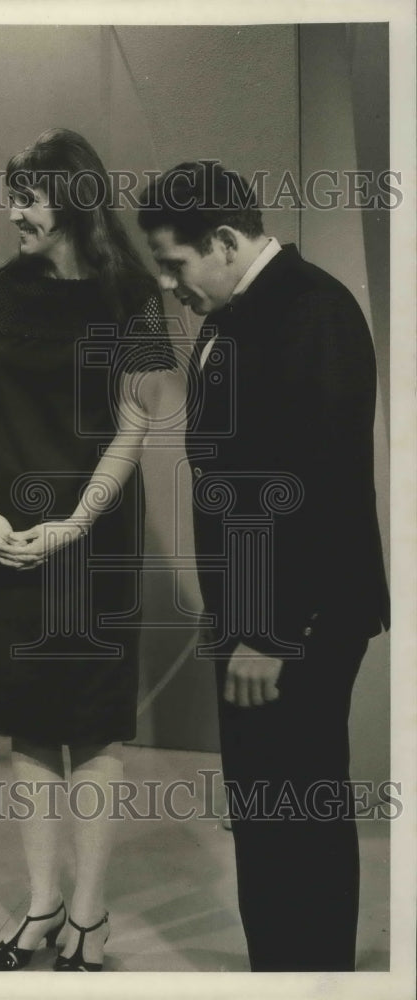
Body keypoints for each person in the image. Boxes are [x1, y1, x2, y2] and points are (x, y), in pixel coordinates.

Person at [137, 160, 389, 971]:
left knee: (296, 811)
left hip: (293, 620)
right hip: (252, 612)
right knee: (264, 809)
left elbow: (324, 483)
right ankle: (279, 973)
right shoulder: (239, 311)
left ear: (223, 240)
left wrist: (273, 635)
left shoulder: (311, 309)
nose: (173, 287)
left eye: (176, 265)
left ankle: (310, 976)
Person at [0, 128, 174, 972]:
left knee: (93, 723)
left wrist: (77, 521)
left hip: (95, 535)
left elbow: (139, 420)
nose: (13, 213)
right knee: (29, 721)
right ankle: (42, 906)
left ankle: (89, 915)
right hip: (9, 533)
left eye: (27, 198)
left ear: (71, 200)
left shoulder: (130, 295)